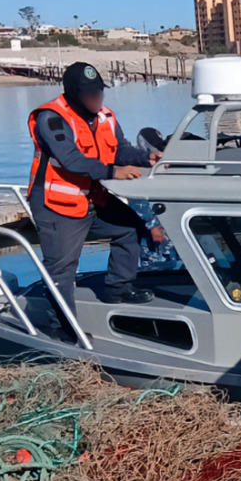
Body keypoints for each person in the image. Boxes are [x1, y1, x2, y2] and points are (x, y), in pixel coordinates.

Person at [27, 62, 162, 325]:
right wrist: (114, 173)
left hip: (94, 198)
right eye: (90, 94)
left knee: (130, 228)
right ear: (73, 94)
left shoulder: (106, 117)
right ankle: (62, 327)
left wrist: (149, 158)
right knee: (62, 269)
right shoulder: (52, 118)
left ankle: (118, 288)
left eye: (99, 92)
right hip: (57, 204)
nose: (97, 98)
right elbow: (71, 160)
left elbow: (121, 151)